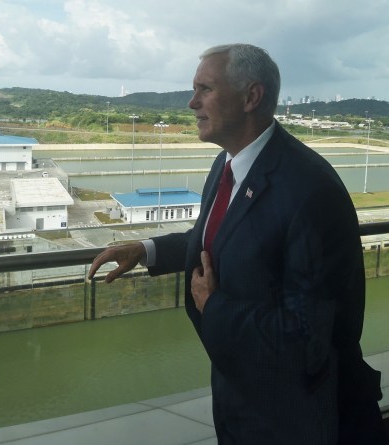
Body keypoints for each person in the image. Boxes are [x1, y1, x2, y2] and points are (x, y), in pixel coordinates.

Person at [88, 44, 386, 445]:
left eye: (205, 89)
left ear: (251, 97)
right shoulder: (228, 163)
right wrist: (147, 249)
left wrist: (216, 307)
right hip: (240, 399)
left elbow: (309, 338)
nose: (192, 103)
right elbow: (226, 241)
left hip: (300, 416)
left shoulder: (310, 190)